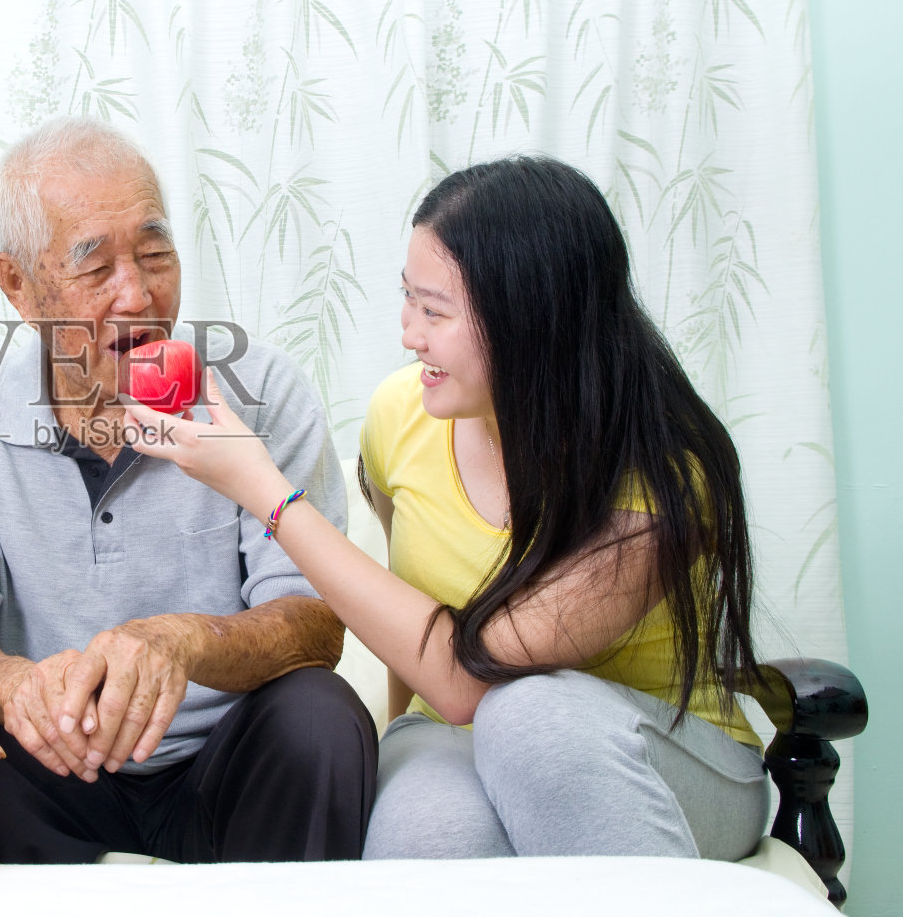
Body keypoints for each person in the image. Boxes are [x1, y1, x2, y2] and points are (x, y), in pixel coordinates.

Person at [125, 156, 769, 861]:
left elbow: (473, 680)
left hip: (661, 757)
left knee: (527, 715)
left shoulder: (663, 481)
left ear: (533, 324)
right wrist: (408, 740)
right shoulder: (401, 417)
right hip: (455, 735)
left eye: (435, 312)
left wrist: (261, 487)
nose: (409, 333)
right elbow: (411, 629)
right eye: (409, 299)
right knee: (429, 830)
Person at [0, 116, 377, 864]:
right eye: (96, 270)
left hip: (224, 761)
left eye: (156, 255)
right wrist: (21, 686)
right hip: (55, 767)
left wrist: (181, 641)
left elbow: (315, 625)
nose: (138, 295)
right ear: (16, 284)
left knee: (319, 714)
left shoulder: (260, 392)